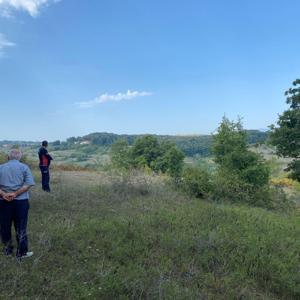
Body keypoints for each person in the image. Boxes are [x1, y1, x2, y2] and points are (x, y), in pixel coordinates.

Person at [0, 149, 35, 258]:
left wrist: (4, 194)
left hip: (3, 201)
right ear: (19, 158)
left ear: (8, 157)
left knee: (5, 226)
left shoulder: (1, 167)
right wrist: (15, 194)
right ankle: (21, 253)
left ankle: (7, 251)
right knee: (21, 227)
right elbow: (28, 184)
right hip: (21, 202)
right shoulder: (24, 167)